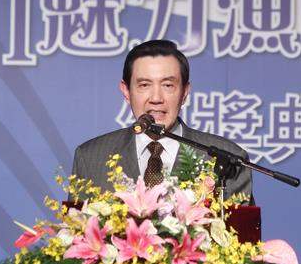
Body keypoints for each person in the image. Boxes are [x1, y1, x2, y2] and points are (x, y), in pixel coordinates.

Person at [70, 39, 253, 201]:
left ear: (185, 92)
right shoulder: (91, 158)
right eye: (144, 85)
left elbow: (240, 228)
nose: (156, 98)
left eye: (167, 85)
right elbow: (78, 228)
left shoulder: (228, 160)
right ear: (126, 91)